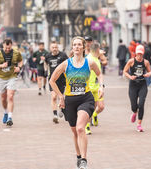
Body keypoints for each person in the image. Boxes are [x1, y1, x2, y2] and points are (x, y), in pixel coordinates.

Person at [49, 36, 104, 169]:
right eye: (75, 45)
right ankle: (79, 157)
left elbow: (99, 74)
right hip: (70, 101)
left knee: (80, 128)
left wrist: (101, 86)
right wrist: (61, 96)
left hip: (86, 98)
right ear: (72, 48)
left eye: (79, 44)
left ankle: (84, 159)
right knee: (75, 131)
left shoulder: (89, 62)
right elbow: (52, 80)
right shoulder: (66, 64)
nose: (77, 47)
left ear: (84, 47)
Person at [0, 38, 23, 126]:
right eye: (6, 48)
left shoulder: (16, 52)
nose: (7, 50)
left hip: (12, 76)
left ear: (11, 45)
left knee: (10, 96)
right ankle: (5, 112)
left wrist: (19, 67)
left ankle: (10, 117)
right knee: (3, 99)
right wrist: (1, 65)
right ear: (3, 46)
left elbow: (20, 61)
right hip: (1, 77)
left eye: (9, 48)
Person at [123, 45, 151, 132]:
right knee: (134, 105)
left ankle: (139, 124)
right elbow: (124, 71)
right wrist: (130, 77)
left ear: (143, 54)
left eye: (141, 54)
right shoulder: (131, 61)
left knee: (141, 104)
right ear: (135, 53)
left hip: (142, 84)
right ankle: (134, 112)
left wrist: (148, 74)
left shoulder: (146, 62)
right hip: (133, 85)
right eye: (138, 54)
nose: (139, 56)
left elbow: (150, 71)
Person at [45, 41, 68, 123]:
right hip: (52, 80)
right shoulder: (47, 56)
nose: (54, 49)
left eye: (56, 47)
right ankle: (55, 115)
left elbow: (68, 64)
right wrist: (45, 70)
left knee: (61, 96)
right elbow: (46, 63)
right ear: (50, 48)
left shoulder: (63, 55)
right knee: (54, 97)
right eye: (53, 47)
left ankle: (61, 108)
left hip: (62, 79)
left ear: (58, 48)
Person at [84, 42, 105, 135]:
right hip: (89, 87)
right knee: (90, 108)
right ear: (97, 50)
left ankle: (95, 115)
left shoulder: (97, 57)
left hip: (97, 87)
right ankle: (87, 126)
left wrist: (101, 85)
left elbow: (99, 73)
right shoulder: (88, 59)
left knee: (101, 107)